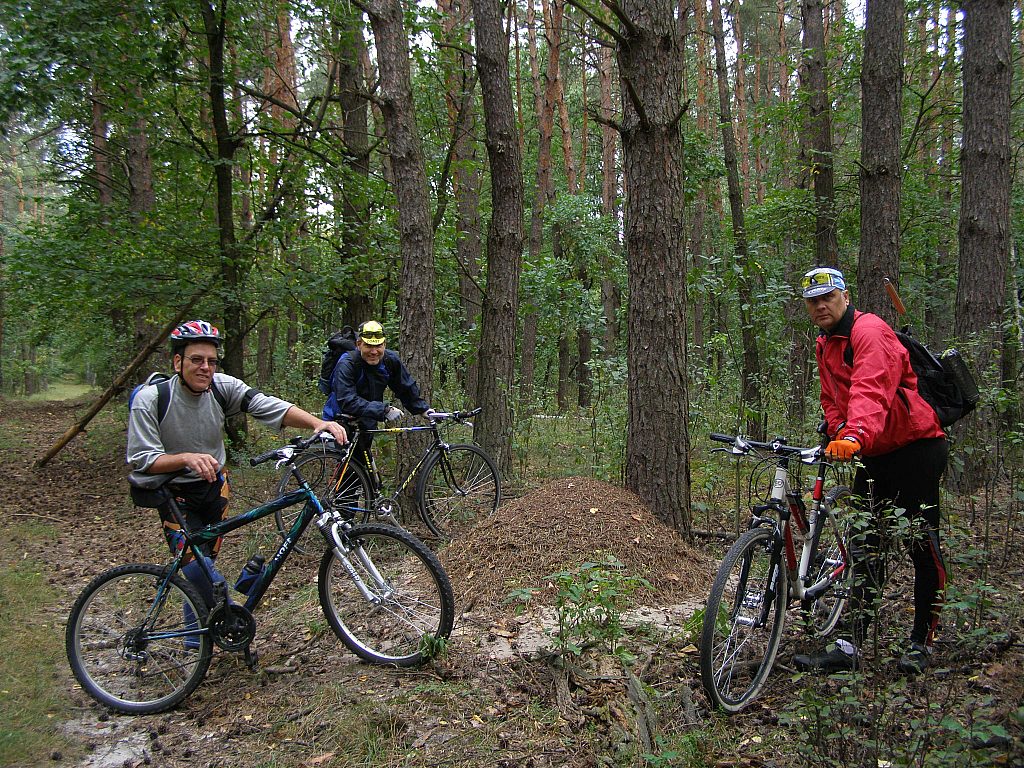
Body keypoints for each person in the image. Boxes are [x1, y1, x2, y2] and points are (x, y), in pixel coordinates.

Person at [127, 320, 348, 609]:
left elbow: (267, 405)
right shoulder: (151, 400)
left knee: (204, 568)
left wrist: (317, 423)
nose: (205, 368)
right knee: (197, 569)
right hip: (173, 493)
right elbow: (142, 459)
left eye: (211, 361)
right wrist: (185, 458)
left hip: (214, 488)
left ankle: (203, 633)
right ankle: (228, 618)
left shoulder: (222, 387)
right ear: (178, 362)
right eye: (196, 360)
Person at [792, 267, 948, 675]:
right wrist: (839, 431)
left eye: (827, 297)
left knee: (921, 544)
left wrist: (854, 434)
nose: (820, 306)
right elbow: (832, 398)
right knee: (865, 545)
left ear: (845, 297)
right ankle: (850, 646)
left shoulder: (870, 332)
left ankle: (922, 642)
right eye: (812, 301)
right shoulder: (825, 342)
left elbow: (871, 389)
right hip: (875, 451)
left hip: (915, 447)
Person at [322, 319, 432, 472]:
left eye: (378, 346)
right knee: (350, 471)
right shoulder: (347, 363)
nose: (374, 352)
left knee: (362, 472)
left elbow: (404, 387)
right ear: (359, 344)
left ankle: (364, 486)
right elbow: (347, 400)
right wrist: (384, 410)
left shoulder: (389, 360)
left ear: (384, 345)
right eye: (368, 346)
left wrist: (423, 409)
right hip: (340, 420)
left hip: (367, 419)